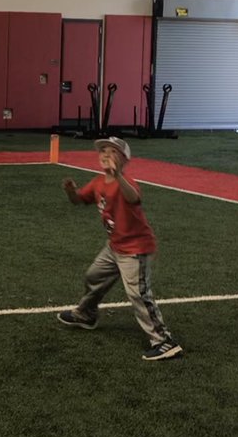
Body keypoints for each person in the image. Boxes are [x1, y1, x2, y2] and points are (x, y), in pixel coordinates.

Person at [58, 137, 183, 362]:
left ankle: (164, 341)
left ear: (124, 160)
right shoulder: (98, 182)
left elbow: (134, 198)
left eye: (112, 152)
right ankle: (86, 314)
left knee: (138, 294)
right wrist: (71, 191)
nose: (105, 154)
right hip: (114, 246)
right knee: (93, 276)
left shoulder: (126, 182)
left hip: (135, 248)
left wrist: (117, 176)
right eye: (103, 150)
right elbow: (79, 200)